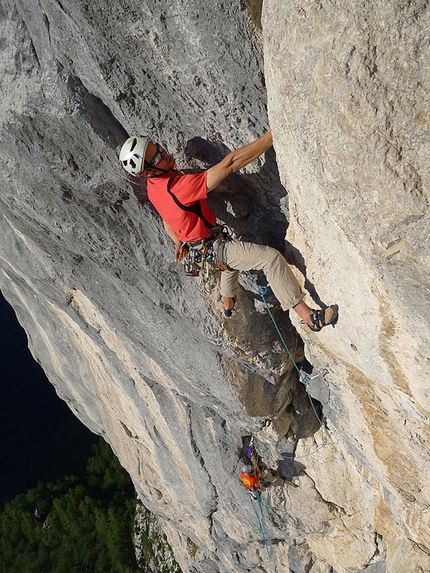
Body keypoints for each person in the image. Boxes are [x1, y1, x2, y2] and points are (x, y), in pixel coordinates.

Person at [119, 131, 338, 332]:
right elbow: (230, 164)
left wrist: (178, 241)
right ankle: (309, 318)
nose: (163, 155)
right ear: (147, 171)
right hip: (213, 247)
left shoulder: (153, 187)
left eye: (158, 148)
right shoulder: (179, 187)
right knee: (270, 259)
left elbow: (168, 221)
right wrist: (272, 136)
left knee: (230, 264)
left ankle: (227, 306)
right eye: (156, 158)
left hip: (198, 249)